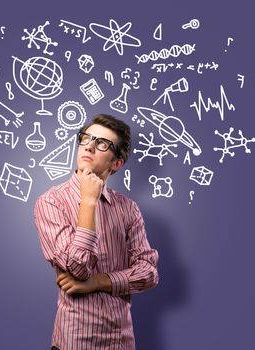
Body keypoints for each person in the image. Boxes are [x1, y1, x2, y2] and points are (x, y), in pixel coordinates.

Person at [34, 114, 159, 350]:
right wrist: (89, 201)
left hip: (121, 342)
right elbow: (78, 268)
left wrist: (98, 282)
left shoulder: (128, 208)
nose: (89, 146)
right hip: (75, 342)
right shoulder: (51, 202)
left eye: (102, 143)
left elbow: (148, 273)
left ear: (116, 163)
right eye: (86, 139)